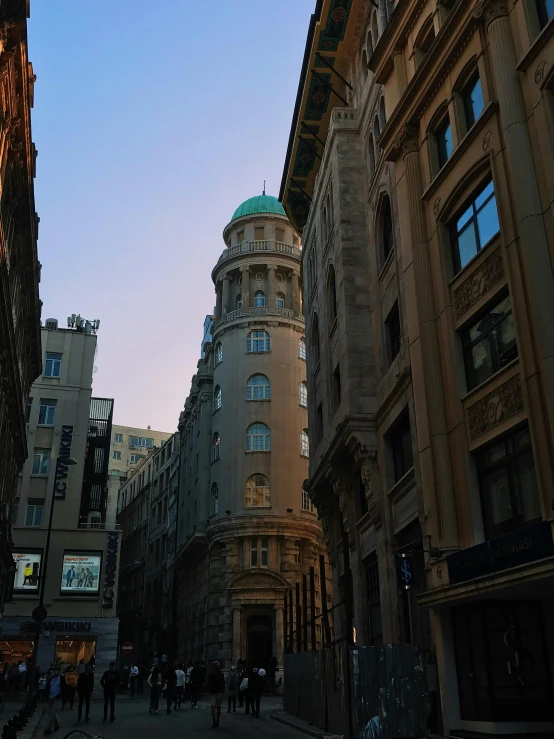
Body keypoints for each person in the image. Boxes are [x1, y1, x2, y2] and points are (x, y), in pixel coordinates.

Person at [43, 665, 62, 735]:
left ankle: (48, 728)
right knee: (51, 712)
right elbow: (48, 687)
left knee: (52, 713)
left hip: (57, 698)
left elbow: (64, 688)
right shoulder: (51, 678)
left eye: (56, 671)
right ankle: (57, 725)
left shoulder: (61, 679)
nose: (55, 672)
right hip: (50, 697)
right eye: (54, 671)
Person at [206, 661, 225, 729]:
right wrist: (223, 691)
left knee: (213, 707)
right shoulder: (221, 673)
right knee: (218, 707)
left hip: (213, 692)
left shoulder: (210, 673)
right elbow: (223, 683)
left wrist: (209, 690)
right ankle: (217, 720)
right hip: (219, 692)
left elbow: (208, 683)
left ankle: (214, 720)